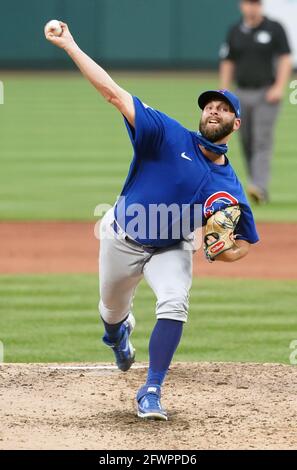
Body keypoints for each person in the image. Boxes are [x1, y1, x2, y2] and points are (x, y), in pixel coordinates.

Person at [45, 22, 259, 421]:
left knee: (175, 301)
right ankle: (118, 336)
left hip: (172, 247)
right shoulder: (165, 133)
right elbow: (112, 93)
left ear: (236, 123)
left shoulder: (229, 187)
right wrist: (71, 44)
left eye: (225, 108)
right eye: (210, 105)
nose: (215, 110)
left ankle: (152, 389)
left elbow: (245, 242)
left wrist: (224, 252)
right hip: (121, 237)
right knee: (111, 311)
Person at [219, 0, 292, 204]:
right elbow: (227, 61)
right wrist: (224, 91)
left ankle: (259, 186)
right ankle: (255, 183)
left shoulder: (274, 28)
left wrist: (279, 86)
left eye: (256, 3)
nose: (252, 7)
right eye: (249, 3)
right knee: (246, 140)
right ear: (241, 5)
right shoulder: (235, 31)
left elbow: (285, 58)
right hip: (241, 92)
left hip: (266, 92)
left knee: (262, 139)